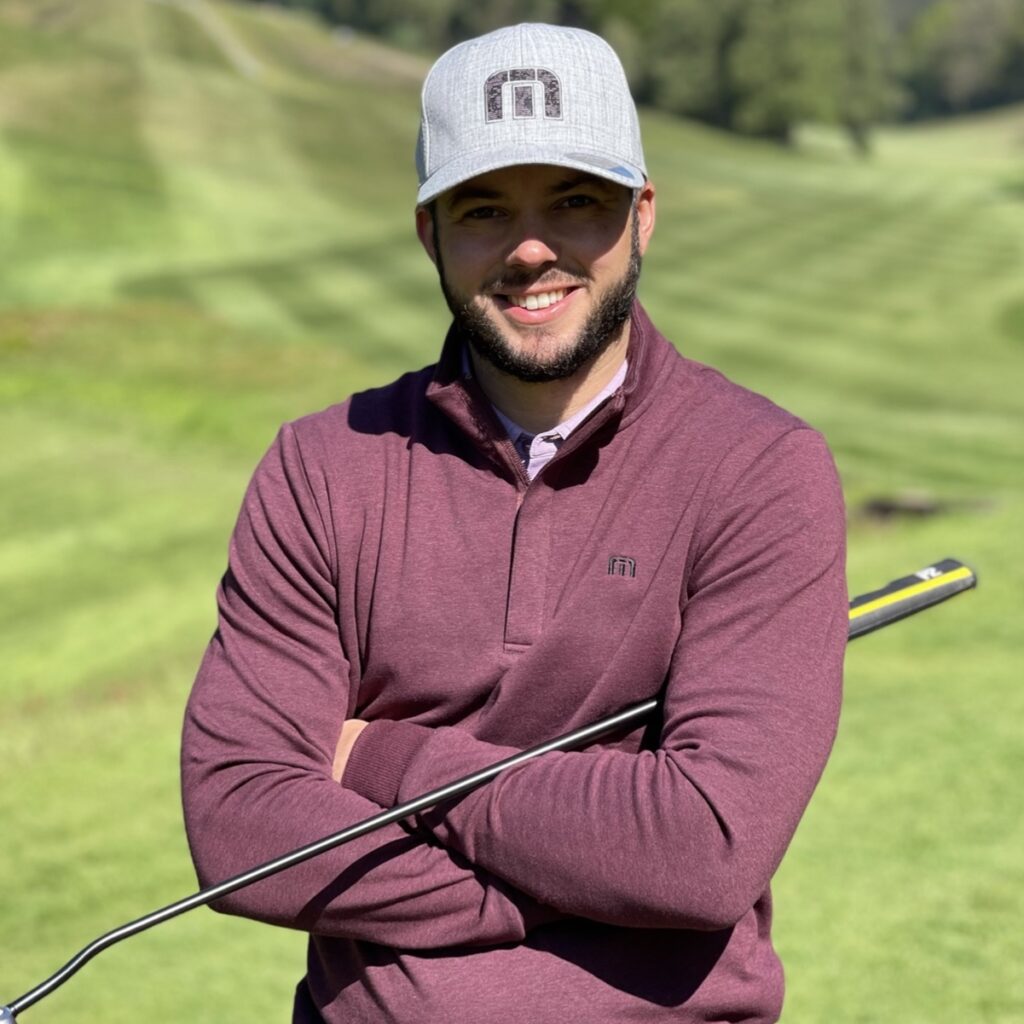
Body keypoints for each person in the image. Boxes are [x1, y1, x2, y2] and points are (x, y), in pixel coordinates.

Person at [181, 22, 847, 1024]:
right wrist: (550, 895)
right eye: (485, 208)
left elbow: (705, 846)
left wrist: (382, 760)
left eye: (574, 201)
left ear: (642, 213)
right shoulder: (322, 466)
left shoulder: (758, 469)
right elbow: (242, 820)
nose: (531, 248)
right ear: (429, 232)